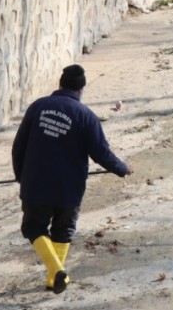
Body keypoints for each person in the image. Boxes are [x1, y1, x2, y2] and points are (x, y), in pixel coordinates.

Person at [12, 64, 131, 293]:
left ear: (60, 84)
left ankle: (56, 274)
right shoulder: (86, 116)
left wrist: (21, 175)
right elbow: (101, 154)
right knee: (63, 230)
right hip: (69, 189)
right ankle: (55, 276)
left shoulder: (38, 107)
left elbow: (19, 146)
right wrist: (122, 168)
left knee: (34, 228)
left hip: (36, 184)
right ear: (81, 89)